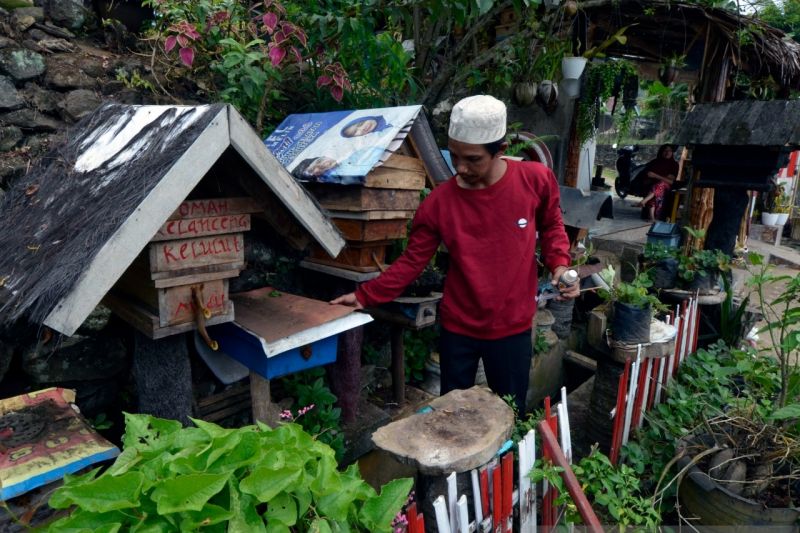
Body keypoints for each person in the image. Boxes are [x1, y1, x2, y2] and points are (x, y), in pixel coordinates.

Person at [330, 95, 578, 414]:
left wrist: (559, 265)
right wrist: (365, 296)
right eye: (455, 156)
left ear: (500, 151)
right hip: (458, 328)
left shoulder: (535, 180)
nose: (460, 168)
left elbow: (552, 224)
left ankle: (505, 462)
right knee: (452, 415)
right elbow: (411, 263)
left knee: (510, 411)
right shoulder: (439, 203)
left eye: (472, 159)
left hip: (513, 327)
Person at [636, 144, 679, 222]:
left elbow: (670, 181)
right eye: (665, 150)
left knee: (660, 184)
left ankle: (644, 202)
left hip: (667, 186)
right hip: (653, 186)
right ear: (661, 152)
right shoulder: (655, 162)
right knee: (655, 189)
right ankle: (652, 218)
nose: (667, 152)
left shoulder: (674, 164)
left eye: (670, 151)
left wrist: (655, 176)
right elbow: (647, 174)